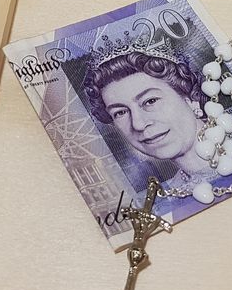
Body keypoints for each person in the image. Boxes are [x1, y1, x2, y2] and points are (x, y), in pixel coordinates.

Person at [83, 49, 212, 188]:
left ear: (190, 99)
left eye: (150, 101)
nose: (138, 124)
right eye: (120, 112)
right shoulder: (172, 191)